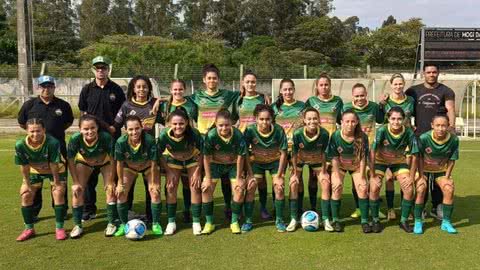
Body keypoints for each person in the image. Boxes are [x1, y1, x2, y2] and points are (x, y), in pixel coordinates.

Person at [17, 75, 73, 221]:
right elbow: (23, 123)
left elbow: (67, 123)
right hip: (35, 153)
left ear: (54, 87)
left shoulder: (63, 105)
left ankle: (60, 209)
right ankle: (34, 211)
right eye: (43, 86)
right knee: (36, 183)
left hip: (58, 149)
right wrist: (36, 137)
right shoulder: (29, 105)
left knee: (59, 181)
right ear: (38, 88)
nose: (46, 89)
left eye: (49, 86)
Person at [405, 63, 456, 220]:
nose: (432, 74)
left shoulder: (446, 91)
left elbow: (451, 110)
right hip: (420, 138)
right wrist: (409, 127)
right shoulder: (413, 91)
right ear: (423, 73)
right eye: (428, 72)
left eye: (434, 72)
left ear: (438, 73)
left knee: (438, 172)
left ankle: (437, 206)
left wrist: (451, 128)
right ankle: (419, 206)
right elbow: (406, 109)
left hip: (439, 139)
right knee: (421, 174)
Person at [78, 56, 126, 221]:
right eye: (97, 68)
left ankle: (118, 207)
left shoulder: (116, 89)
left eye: (103, 68)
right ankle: (88, 209)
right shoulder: (87, 89)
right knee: (90, 176)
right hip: (92, 138)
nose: (100, 70)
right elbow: (83, 112)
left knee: (114, 175)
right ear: (93, 70)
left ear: (108, 69)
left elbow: (123, 111)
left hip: (112, 137)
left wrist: (115, 127)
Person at [190, 64, 240, 221]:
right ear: (204, 80)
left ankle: (228, 206)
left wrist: (263, 96)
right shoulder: (196, 96)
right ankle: (193, 211)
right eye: (209, 78)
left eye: (215, 78)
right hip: (204, 139)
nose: (212, 80)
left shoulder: (226, 95)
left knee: (225, 176)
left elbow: (245, 93)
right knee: (200, 177)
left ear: (218, 80)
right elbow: (178, 99)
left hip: (221, 139)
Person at [114, 75, 157, 223]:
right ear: (133, 88)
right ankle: (127, 215)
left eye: (145, 86)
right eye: (138, 86)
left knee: (150, 187)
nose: (141, 89)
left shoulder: (154, 104)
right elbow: (116, 124)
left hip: (147, 153)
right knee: (127, 188)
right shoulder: (126, 105)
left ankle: (152, 218)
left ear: (149, 89)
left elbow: (170, 118)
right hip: (130, 155)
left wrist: (162, 102)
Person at [15, 118, 67, 241]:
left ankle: (59, 228)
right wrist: (27, 184)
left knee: (58, 193)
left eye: (38, 131)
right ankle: (29, 229)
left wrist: (57, 183)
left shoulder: (52, 142)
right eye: (32, 131)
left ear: (44, 130)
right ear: (26, 131)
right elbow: (24, 166)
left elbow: (54, 164)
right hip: (34, 170)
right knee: (26, 195)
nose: (35, 134)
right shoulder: (20, 145)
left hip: (55, 170)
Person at [369, 107, 418, 233]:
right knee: (374, 187)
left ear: (404, 119)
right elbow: (373, 151)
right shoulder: (382, 130)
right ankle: (375, 220)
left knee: (408, 188)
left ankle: (404, 221)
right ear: (388, 119)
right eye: (393, 119)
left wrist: (411, 177)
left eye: (399, 119)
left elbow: (414, 155)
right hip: (381, 162)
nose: (396, 122)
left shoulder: (408, 132)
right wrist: (373, 174)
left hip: (398, 162)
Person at [68, 115, 117, 238]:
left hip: (105, 162)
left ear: (97, 128)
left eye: (92, 128)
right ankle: (77, 225)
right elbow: (70, 160)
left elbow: (113, 159)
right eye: (86, 129)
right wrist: (75, 182)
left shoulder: (105, 137)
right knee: (78, 190)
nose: (89, 131)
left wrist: (111, 181)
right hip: (84, 162)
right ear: (80, 129)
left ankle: (111, 223)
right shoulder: (75, 139)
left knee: (110, 189)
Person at [157, 79, 199, 223]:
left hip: (188, 148)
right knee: (171, 183)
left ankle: (188, 210)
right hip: (171, 150)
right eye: (175, 90)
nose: (177, 92)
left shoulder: (191, 104)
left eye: (180, 89)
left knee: (189, 183)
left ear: (185, 90)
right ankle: (170, 216)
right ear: (170, 90)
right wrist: (158, 100)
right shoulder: (164, 105)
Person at [157, 108, 203, 235]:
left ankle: (196, 221)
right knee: (171, 187)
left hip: (192, 158)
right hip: (173, 159)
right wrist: (168, 171)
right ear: (169, 124)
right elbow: (159, 154)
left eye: (181, 123)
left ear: (187, 123)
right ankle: (171, 222)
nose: (178, 126)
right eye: (175, 124)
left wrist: (198, 171)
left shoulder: (194, 133)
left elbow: (204, 151)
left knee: (195, 186)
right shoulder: (164, 135)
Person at [114, 115, 162, 236]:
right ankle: (123, 224)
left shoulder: (149, 140)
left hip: (147, 167)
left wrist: (155, 182)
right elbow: (119, 164)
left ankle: (156, 223)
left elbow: (154, 163)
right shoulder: (120, 142)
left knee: (155, 192)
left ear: (141, 128)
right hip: (129, 167)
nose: (134, 132)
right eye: (130, 129)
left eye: (137, 128)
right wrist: (119, 183)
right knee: (121, 193)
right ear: (125, 130)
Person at [232, 71, 272, 220]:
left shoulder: (263, 98)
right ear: (243, 83)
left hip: (259, 142)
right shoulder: (238, 100)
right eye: (248, 82)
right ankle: (239, 207)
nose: (250, 84)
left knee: (260, 178)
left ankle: (262, 207)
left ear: (256, 83)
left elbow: (269, 118)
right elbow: (233, 119)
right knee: (241, 176)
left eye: (253, 82)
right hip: (242, 142)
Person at [244, 104, 288, 232]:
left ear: (272, 119)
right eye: (261, 119)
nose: (264, 122)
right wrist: (250, 174)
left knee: (279, 187)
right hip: (257, 163)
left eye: (267, 119)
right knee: (252, 186)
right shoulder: (250, 130)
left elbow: (284, 153)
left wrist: (279, 176)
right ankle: (248, 220)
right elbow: (245, 152)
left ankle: (279, 220)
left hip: (275, 162)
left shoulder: (279, 130)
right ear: (256, 119)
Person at [343, 83, 384, 219]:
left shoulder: (373, 106)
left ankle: (375, 208)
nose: (360, 98)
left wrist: (383, 104)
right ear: (352, 96)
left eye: (362, 95)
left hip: (372, 149)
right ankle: (360, 208)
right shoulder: (346, 107)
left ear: (366, 94)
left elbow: (381, 119)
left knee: (374, 179)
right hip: (355, 151)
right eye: (357, 96)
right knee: (359, 180)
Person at [202, 109, 247, 234]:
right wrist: (208, 178)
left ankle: (234, 222)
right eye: (221, 125)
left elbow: (240, 157)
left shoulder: (237, 134)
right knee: (206, 189)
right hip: (215, 165)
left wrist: (239, 177)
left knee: (239, 189)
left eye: (227, 125)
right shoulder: (211, 135)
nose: (224, 128)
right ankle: (209, 223)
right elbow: (205, 158)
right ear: (215, 123)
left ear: (231, 123)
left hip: (233, 165)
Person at [379, 73, 416, 220]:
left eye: (401, 84)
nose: (398, 86)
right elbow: (380, 119)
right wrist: (381, 103)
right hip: (388, 143)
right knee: (388, 177)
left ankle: (406, 208)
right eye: (395, 84)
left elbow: (415, 117)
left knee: (404, 177)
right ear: (391, 85)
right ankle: (390, 209)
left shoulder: (411, 101)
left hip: (404, 143)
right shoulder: (386, 101)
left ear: (404, 84)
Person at [327, 109, 370, 233]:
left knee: (362, 187)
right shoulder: (335, 135)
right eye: (347, 121)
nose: (350, 124)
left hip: (356, 166)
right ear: (341, 122)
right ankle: (335, 220)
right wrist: (335, 175)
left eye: (352, 121)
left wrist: (362, 176)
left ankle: (365, 221)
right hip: (340, 166)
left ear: (357, 122)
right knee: (336, 186)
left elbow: (363, 158)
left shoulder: (362, 137)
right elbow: (334, 157)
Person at [305, 73, 343, 213]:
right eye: (321, 85)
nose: (324, 87)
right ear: (317, 86)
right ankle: (314, 207)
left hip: (332, 145)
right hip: (315, 144)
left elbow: (341, 120)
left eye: (326, 84)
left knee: (332, 176)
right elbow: (306, 120)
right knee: (313, 176)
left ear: (330, 85)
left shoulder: (338, 101)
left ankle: (332, 210)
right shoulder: (311, 101)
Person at [415, 114, 459, 234]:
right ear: (432, 125)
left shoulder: (454, 139)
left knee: (449, 188)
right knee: (420, 188)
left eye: (443, 125)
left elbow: (452, 159)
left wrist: (447, 176)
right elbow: (418, 157)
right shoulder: (424, 137)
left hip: (441, 171)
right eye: (438, 125)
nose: (440, 128)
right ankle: (418, 221)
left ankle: (446, 222)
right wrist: (421, 175)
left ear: (448, 126)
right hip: (424, 170)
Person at [289, 108, 330, 232]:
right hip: (300, 159)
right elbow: (294, 154)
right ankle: (293, 218)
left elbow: (324, 153)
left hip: (316, 159)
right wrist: (295, 174)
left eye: (315, 118)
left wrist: (323, 172)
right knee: (294, 183)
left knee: (325, 182)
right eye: (309, 119)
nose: (312, 121)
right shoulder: (297, 134)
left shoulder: (324, 134)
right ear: (304, 120)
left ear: (319, 120)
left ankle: (326, 219)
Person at [273, 79, 305, 216]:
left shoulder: (302, 106)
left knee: (297, 178)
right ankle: (277, 207)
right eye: (285, 89)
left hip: (296, 150)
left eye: (290, 89)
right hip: (279, 150)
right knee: (278, 177)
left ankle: (298, 207)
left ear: (294, 90)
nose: (288, 92)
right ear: (280, 91)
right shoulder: (275, 107)